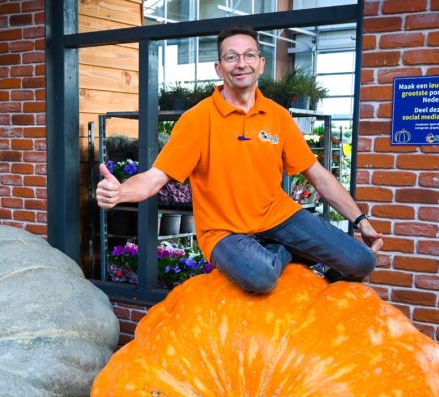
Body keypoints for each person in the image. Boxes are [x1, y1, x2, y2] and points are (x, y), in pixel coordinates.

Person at [96, 24, 383, 294]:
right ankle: (286, 251)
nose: (241, 63)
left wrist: (360, 220)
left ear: (261, 64)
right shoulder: (197, 119)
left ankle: (308, 289)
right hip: (224, 232)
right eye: (231, 57)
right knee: (260, 276)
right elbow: (155, 177)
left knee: (361, 261)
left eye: (249, 55)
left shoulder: (278, 116)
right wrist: (121, 191)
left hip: (279, 216)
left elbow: (319, 176)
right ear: (219, 68)